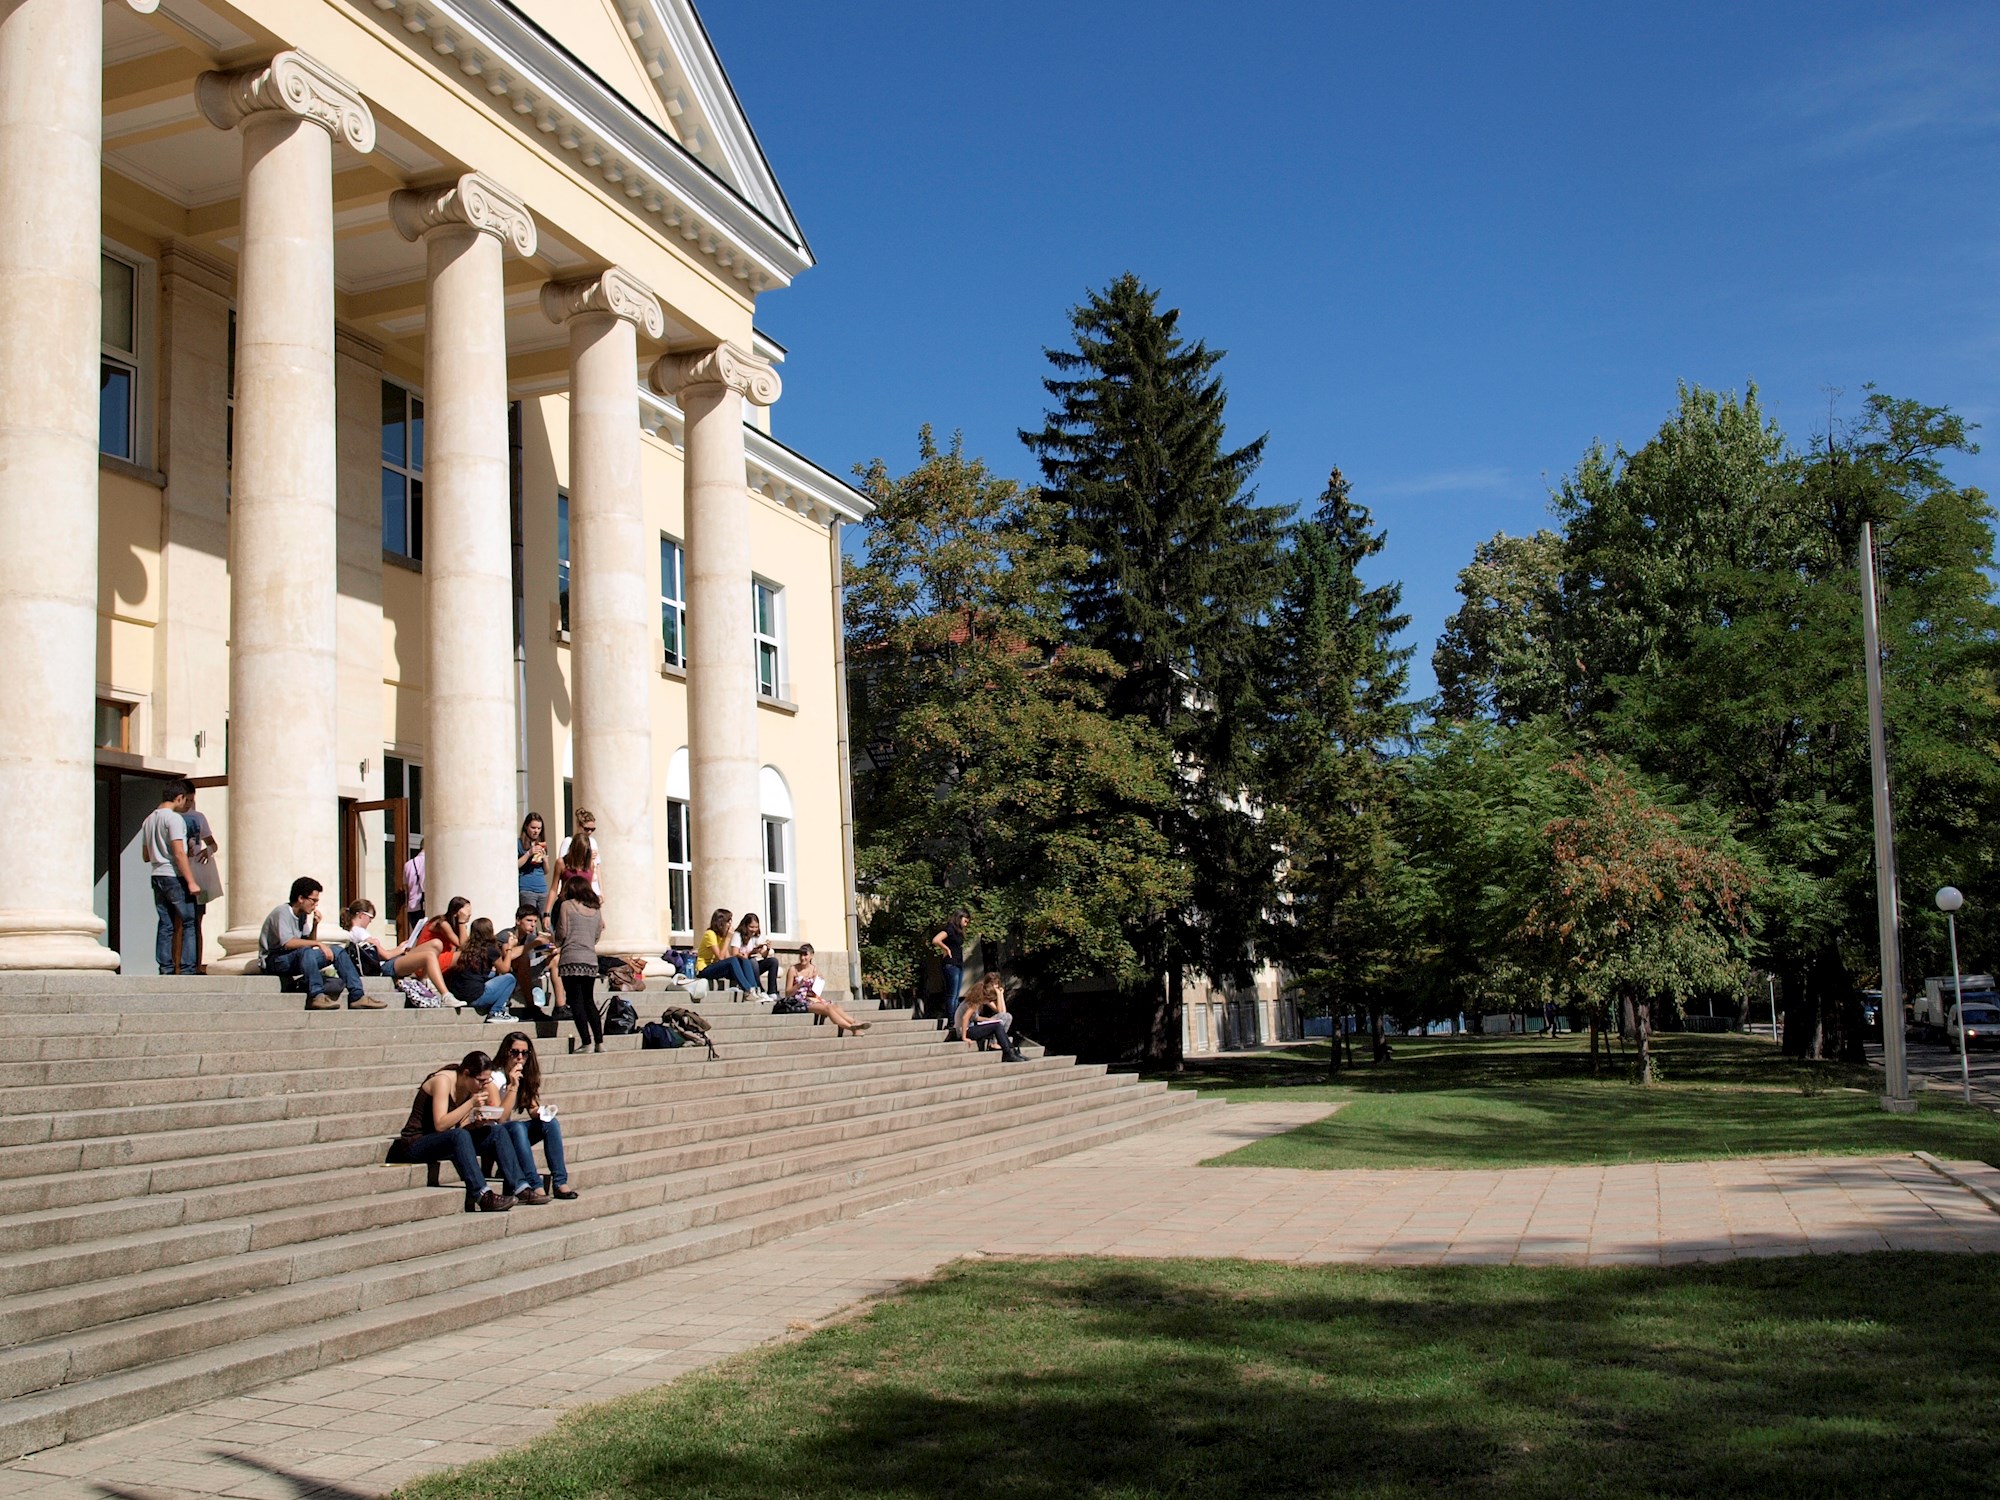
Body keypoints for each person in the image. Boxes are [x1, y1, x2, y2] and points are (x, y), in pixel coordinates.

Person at [382, 1050, 530, 1212]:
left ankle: (519, 1187)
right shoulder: (443, 1081)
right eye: (480, 1081)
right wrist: (471, 1103)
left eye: (487, 1081)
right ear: (466, 1073)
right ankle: (482, 1195)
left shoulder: (469, 1087)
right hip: (416, 1144)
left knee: (497, 1132)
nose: (483, 1086)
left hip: (443, 1141)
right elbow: (440, 1124)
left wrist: (478, 1123)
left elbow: (462, 1126)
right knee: (459, 1135)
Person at [259, 876, 382, 1010]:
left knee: (337, 951)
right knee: (305, 951)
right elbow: (287, 943)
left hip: (296, 957)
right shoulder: (282, 912)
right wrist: (318, 944)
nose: (316, 904)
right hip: (274, 960)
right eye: (313, 900)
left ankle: (357, 996)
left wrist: (315, 925)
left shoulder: (302, 915)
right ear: (301, 899)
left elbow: (306, 941)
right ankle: (317, 996)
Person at [491, 1031, 576, 1200]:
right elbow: (499, 1118)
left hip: (510, 1133)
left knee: (551, 1124)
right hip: (494, 1134)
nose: (520, 1057)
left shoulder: (524, 1074)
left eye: (525, 1053)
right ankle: (534, 1184)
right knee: (517, 1127)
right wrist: (512, 1086)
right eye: (514, 1052)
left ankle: (560, 1182)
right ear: (505, 1052)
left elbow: (531, 1107)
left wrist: (542, 1112)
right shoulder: (495, 1077)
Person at [140, 777, 199, 975]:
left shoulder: (149, 819)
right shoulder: (174, 819)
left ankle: (165, 968)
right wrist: (191, 881)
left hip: (157, 874)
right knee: (189, 922)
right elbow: (178, 852)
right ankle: (187, 968)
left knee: (165, 923)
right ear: (179, 797)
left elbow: (146, 855)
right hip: (173, 875)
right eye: (187, 800)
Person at [344, 897, 451, 1005]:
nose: (371, 921)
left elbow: (378, 955)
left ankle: (424, 979)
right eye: (370, 917)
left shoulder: (354, 932)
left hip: (385, 963)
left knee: (436, 944)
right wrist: (401, 949)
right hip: (384, 967)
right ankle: (445, 994)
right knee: (430, 955)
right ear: (361, 915)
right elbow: (386, 955)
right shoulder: (361, 933)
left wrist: (399, 948)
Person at [555, 874, 606, 1053]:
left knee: (576, 1002)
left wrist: (556, 943)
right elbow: (597, 935)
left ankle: (586, 1042)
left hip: (571, 958)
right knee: (589, 1000)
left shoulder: (567, 906)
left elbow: (562, 931)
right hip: (590, 959)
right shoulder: (596, 910)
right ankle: (600, 1041)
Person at [781, 944, 869, 1036]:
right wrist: (799, 984)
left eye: (805, 955)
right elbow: (787, 993)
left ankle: (855, 1022)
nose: (803, 958)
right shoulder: (793, 970)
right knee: (827, 1008)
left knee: (834, 1006)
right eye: (801, 955)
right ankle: (851, 1028)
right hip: (798, 1001)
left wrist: (818, 981)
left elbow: (815, 991)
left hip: (812, 998)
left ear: (811, 955)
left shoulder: (814, 969)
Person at [446, 917, 517, 1024]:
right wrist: (510, 948)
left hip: (460, 995)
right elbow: (505, 969)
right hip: (477, 997)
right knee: (510, 979)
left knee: (492, 974)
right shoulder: (490, 950)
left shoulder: (466, 949)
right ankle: (496, 1011)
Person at [180, 787, 220, 973]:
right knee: (178, 922)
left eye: (191, 800)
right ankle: (178, 965)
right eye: (186, 799)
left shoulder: (198, 817)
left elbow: (212, 843)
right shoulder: (171, 816)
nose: (188, 803)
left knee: (196, 921)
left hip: (198, 874)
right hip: (179, 873)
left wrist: (208, 850)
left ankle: (195, 964)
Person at [500, 904, 562, 1015]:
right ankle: (531, 1006)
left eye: (535, 921)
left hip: (524, 972)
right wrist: (534, 944)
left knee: (555, 959)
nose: (533, 925)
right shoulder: (506, 935)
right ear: (518, 921)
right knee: (523, 958)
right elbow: (508, 956)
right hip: (505, 976)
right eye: (529, 921)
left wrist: (550, 946)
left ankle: (560, 1007)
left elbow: (546, 948)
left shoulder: (530, 937)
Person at [954, 974, 1022, 1062]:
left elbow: (976, 1017)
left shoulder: (976, 1000)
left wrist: (989, 1020)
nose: (988, 1002)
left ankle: (1012, 1051)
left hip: (970, 1028)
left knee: (998, 1022)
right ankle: (1008, 1052)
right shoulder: (974, 1002)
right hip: (966, 1031)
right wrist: (964, 1037)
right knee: (997, 1026)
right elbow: (965, 1018)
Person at [694, 908, 760, 995]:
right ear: (721, 923)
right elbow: (720, 957)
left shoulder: (722, 937)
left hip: (716, 968)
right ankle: (748, 991)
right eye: (728, 922)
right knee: (733, 961)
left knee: (744, 960)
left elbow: (728, 958)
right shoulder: (710, 934)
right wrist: (728, 938)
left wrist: (740, 956)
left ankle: (754, 989)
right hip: (704, 970)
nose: (730, 925)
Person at [416, 896, 472, 997]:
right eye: (466, 912)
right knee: (463, 956)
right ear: (457, 912)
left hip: (437, 960)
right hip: (425, 964)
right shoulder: (442, 923)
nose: (469, 915)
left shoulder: (452, 925)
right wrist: (462, 922)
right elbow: (463, 946)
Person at [931, 908, 970, 1018]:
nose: (966, 924)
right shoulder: (950, 928)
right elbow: (936, 940)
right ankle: (951, 1021)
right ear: (960, 918)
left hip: (958, 964)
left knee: (956, 995)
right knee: (952, 995)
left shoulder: (958, 931)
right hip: (950, 964)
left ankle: (955, 1019)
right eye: (965, 921)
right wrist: (946, 949)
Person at [545, 834, 594, 917]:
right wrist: (547, 913)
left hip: (584, 906)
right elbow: (554, 888)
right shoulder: (561, 863)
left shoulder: (590, 865)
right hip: (565, 904)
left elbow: (589, 888)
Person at [735, 912, 780, 995]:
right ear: (745, 926)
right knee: (752, 961)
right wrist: (750, 953)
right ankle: (759, 988)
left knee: (773, 961)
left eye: (756, 927)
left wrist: (767, 948)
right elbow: (734, 953)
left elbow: (764, 956)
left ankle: (772, 991)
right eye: (751, 927)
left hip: (753, 965)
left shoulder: (755, 936)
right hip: (742, 966)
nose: (754, 930)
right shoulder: (738, 935)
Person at [516, 812, 551, 911]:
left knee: (547, 922)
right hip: (527, 888)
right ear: (526, 826)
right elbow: (516, 865)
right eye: (533, 828)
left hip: (542, 888)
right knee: (530, 921)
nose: (536, 831)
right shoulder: (519, 844)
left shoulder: (541, 844)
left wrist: (545, 859)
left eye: (539, 828)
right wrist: (529, 853)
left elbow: (546, 871)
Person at [400, 846, 426, 934]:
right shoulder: (430, 862)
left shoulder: (408, 864)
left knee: (418, 936)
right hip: (426, 906)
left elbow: (406, 886)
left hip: (413, 906)